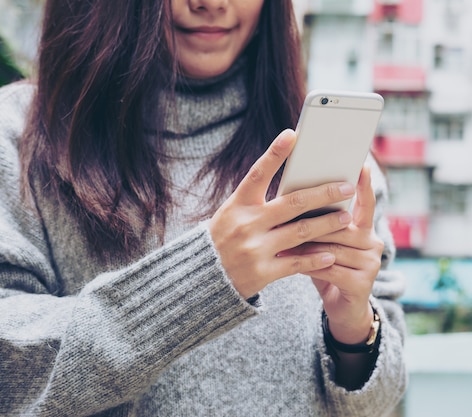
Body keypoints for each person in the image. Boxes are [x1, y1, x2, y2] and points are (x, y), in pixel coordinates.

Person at [0, 0, 408, 415]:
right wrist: (202, 281)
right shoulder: (20, 136)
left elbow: (382, 400)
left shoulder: (326, 150)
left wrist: (354, 329)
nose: (212, 4)